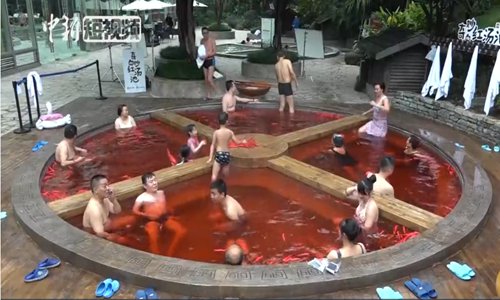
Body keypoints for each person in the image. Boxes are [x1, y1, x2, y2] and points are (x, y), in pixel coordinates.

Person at [132, 172, 186, 256]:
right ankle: (157, 257)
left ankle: (170, 252)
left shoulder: (161, 193)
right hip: (151, 221)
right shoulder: (142, 197)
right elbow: (135, 211)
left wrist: (171, 214)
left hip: (164, 218)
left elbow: (165, 206)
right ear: (145, 186)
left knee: (182, 231)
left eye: (155, 180)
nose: (154, 183)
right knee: (153, 238)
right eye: (151, 182)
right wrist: (147, 215)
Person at [82, 175, 135, 242]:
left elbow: (117, 211)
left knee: (131, 219)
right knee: (122, 240)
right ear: (96, 190)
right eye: (104, 186)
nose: (108, 188)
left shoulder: (104, 199)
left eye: (108, 185)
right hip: (94, 234)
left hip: (106, 224)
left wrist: (113, 200)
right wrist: (117, 237)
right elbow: (100, 234)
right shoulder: (94, 210)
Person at [207, 112, 245, 182]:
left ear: (218, 121)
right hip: (226, 154)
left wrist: (210, 158)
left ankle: (213, 187)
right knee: (226, 174)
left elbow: (212, 145)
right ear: (227, 121)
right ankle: (225, 185)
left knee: (214, 176)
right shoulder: (230, 132)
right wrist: (243, 141)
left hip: (219, 154)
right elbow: (237, 142)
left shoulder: (216, 132)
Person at [200, 27, 217, 100]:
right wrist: (201, 56)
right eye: (203, 33)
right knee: (206, 80)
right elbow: (201, 51)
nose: (205, 34)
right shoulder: (202, 41)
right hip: (204, 61)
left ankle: (218, 92)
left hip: (211, 60)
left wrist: (208, 55)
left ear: (208, 33)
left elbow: (214, 52)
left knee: (210, 79)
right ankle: (208, 95)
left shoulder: (212, 41)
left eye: (206, 33)